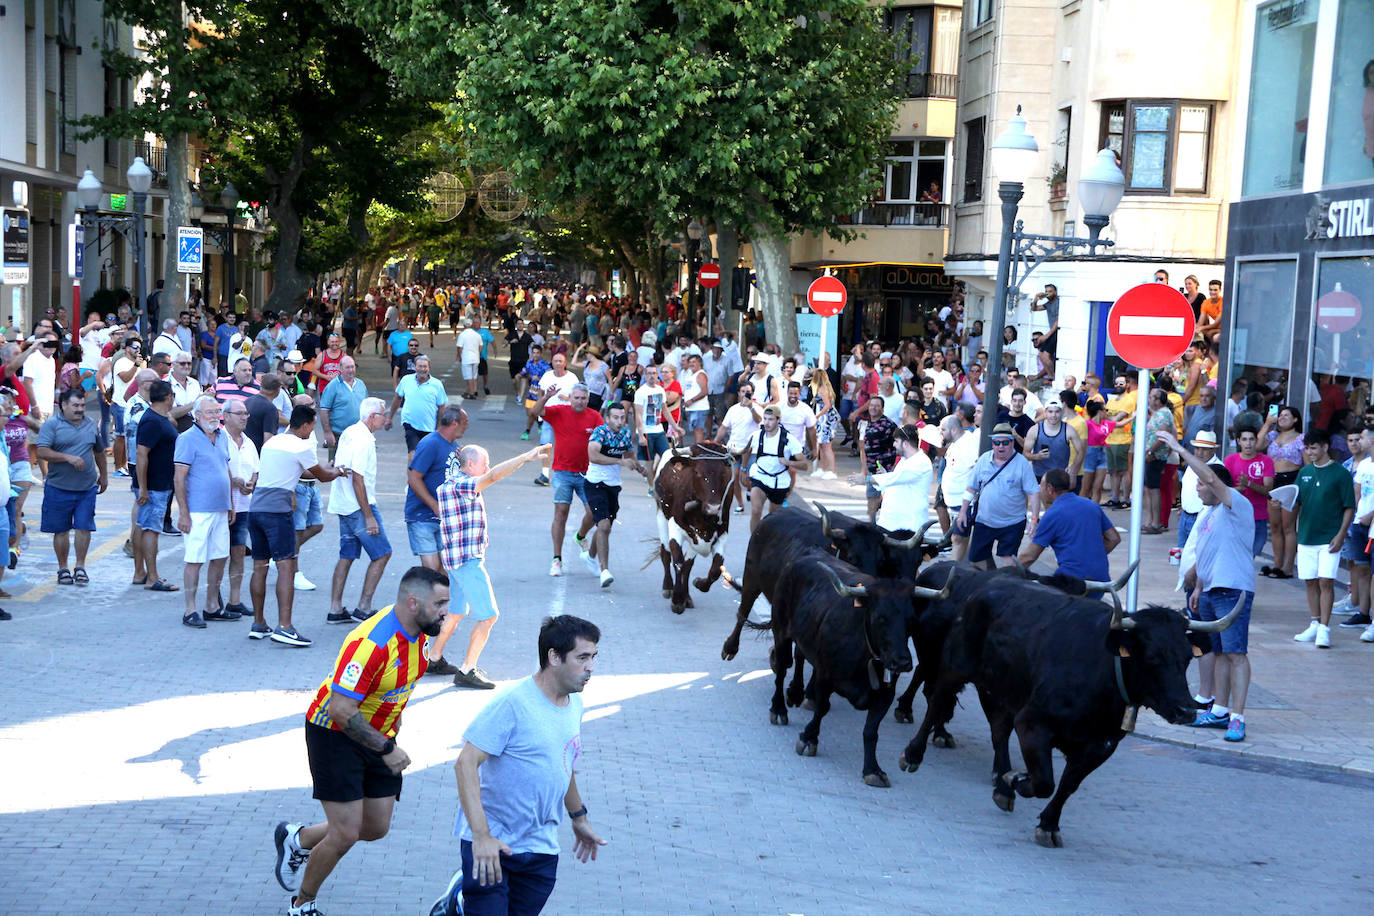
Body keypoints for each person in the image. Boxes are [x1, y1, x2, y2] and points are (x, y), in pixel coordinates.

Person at [273, 566, 451, 916]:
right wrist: (387, 749)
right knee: (345, 834)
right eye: (440, 603)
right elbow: (341, 710)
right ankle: (302, 905)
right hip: (334, 734)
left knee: (373, 826)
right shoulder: (371, 644)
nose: (446, 611)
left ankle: (299, 839)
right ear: (413, 603)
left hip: (377, 736)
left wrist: (388, 738)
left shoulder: (421, 633)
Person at [445, 615, 606, 916]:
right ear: (554, 657)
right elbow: (465, 763)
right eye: (582, 658)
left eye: (594, 657)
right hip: (492, 845)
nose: (591, 668)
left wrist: (579, 818)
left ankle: (458, 904)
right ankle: (459, 898)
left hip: (540, 848)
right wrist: (481, 836)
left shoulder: (575, 704)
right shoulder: (513, 703)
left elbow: (563, 762)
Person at [1163, 431, 1256, 744]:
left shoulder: (1235, 505)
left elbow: (1211, 478)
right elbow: (1205, 554)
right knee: (1216, 653)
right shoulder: (1208, 515)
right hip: (1211, 592)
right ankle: (1219, 709)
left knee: (1236, 654)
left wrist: (1178, 448)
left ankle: (1238, 718)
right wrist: (1199, 588)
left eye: (1201, 483)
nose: (1198, 488)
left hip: (1233, 590)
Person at [439, 442, 551, 691]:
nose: (487, 467)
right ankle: (467, 670)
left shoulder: (451, 483)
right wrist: (525, 457)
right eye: (483, 462)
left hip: (455, 561)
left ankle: (433, 658)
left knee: (456, 611)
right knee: (489, 616)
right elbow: (493, 475)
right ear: (470, 465)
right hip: (467, 562)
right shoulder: (463, 485)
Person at [247, 405, 346, 647]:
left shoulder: (273, 443)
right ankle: (285, 627)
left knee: (260, 566)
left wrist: (328, 471)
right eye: (312, 427)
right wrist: (338, 471)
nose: (312, 432)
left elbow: (303, 473)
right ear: (304, 425)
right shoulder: (301, 446)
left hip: (256, 509)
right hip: (277, 511)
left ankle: (259, 623)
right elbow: (321, 476)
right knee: (286, 567)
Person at [402, 406, 469, 673]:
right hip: (422, 517)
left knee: (443, 575)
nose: (467, 426)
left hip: (444, 519)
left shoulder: (455, 446)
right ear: (452, 423)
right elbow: (414, 477)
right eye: (464, 422)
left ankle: (430, 637)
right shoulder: (430, 443)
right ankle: (418, 633)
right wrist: (432, 505)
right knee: (432, 576)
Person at [326, 398, 393, 626]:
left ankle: (335, 608)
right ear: (372, 417)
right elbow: (358, 479)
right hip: (358, 505)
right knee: (382, 553)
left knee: (347, 555)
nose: (385, 419)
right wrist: (368, 515)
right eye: (383, 415)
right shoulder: (363, 440)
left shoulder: (350, 432)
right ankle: (364, 607)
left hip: (343, 503)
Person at [35, 387, 108, 586]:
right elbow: (41, 451)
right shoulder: (52, 425)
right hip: (59, 487)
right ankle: (63, 568)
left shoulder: (91, 424)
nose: (80, 409)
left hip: (86, 487)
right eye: (75, 405)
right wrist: (67, 457)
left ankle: (80, 566)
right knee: (61, 530)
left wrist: (104, 476)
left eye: (83, 405)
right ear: (63, 405)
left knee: (84, 527)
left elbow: (99, 451)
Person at [1291, 428, 1356, 649]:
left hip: (1329, 537)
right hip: (1306, 535)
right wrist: (1279, 502)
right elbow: (1295, 500)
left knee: (1326, 581)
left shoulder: (1340, 474)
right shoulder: (1304, 473)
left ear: (1325, 447)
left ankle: (1325, 629)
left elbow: (1349, 507)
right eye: (1307, 448)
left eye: (1314, 447)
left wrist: (1340, 535)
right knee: (1310, 581)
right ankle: (1314, 623)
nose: (1309, 452)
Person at [174, 395, 235, 627]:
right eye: (209, 412)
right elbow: (179, 478)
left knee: (220, 557)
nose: (214, 416)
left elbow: (225, 470)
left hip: (220, 508)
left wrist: (230, 504)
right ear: (196, 415)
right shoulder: (187, 439)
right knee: (194, 559)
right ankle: (190, 609)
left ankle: (212, 605)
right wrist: (183, 513)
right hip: (198, 510)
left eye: (216, 411)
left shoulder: (221, 437)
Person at [533, 382, 603, 577]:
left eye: (583, 398)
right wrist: (546, 397)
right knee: (561, 513)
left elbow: (605, 436)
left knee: (593, 512)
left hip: (587, 474)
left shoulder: (594, 416)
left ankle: (581, 536)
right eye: (577, 398)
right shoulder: (559, 412)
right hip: (563, 471)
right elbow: (535, 412)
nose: (580, 401)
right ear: (570, 398)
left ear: (588, 399)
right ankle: (557, 559)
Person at [960, 422, 1040, 569]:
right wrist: (963, 512)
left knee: (1008, 562)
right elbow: (971, 488)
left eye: (1005, 442)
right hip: (984, 520)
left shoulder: (1022, 463)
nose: (1000, 446)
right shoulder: (984, 459)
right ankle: (992, 578)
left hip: (1012, 523)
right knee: (976, 559)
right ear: (993, 443)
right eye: (997, 443)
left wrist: (1034, 519)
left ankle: (1004, 584)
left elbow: (1034, 493)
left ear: (1012, 443)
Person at [581, 401, 644, 587]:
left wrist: (640, 468)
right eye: (615, 417)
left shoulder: (625, 433)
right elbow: (593, 456)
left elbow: (630, 454)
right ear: (607, 418)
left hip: (613, 486)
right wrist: (619, 461)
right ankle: (604, 571)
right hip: (594, 483)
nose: (619, 421)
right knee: (604, 524)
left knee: (604, 526)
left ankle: (590, 556)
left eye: (622, 418)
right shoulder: (600, 433)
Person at [1018, 468, 1120, 579]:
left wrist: (1005, 573)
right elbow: (1114, 539)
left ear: (1049, 489)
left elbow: (1029, 556)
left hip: (1071, 582)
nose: (1040, 491)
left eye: (1041, 486)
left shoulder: (1052, 514)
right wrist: (1092, 557)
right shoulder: (1091, 505)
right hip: (1101, 579)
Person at [135, 380, 179, 594]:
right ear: (169, 397)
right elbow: (142, 454)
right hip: (153, 486)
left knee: (149, 528)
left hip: (160, 484)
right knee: (151, 530)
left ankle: (144, 573)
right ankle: (152, 577)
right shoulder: (152, 421)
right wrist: (143, 487)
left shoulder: (159, 418)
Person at [860, 424, 935, 534]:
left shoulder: (921, 462)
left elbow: (897, 478)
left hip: (908, 527)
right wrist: (884, 475)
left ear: (905, 443)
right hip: (892, 523)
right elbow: (896, 482)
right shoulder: (905, 460)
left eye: (896, 441)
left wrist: (867, 479)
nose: (894, 444)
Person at [746, 405, 808, 532]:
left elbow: (804, 465)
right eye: (765, 419)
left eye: (771, 419)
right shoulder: (757, 435)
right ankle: (754, 542)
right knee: (756, 510)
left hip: (779, 481)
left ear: (778, 420)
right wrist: (743, 468)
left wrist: (788, 462)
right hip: (760, 476)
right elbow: (747, 450)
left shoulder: (789, 439)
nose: (767, 423)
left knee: (773, 518)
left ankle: (769, 542)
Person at [221, 398, 257, 618]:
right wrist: (232, 481)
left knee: (238, 551)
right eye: (239, 413)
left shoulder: (248, 441)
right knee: (218, 554)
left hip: (243, 505)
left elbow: (255, 468)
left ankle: (235, 600)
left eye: (246, 414)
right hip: (222, 504)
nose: (244, 417)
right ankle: (213, 598)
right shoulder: (218, 439)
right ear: (226, 416)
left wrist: (251, 482)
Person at [1259, 405, 1304, 579]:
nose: (1282, 418)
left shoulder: (1301, 438)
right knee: (1275, 525)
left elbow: (1306, 463)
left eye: (1287, 415)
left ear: (1295, 419)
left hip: (1291, 478)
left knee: (1288, 526)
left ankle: (1288, 566)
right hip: (1273, 479)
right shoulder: (1273, 435)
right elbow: (1258, 444)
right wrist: (1267, 424)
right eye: (1281, 415)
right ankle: (1277, 563)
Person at [1222, 428, 1275, 565]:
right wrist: (1239, 489)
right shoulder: (1230, 460)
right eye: (1244, 439)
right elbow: (1223, 490)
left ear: (1257, 441)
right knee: (1236, 559)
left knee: (1248, 558)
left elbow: (1268, 490)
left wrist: (1249, 483)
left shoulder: (1266, 461)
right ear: (1238, 441)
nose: (1248, 443)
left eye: (1251, 439)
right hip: (1235, 517)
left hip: (1258, 518)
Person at [387, 354, 447, 462]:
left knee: (426, 458)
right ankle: (410, 479)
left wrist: (439, 428)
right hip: (410, 423)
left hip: (429, 427)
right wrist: (389, 418)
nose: (422, 369)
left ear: (429, 368)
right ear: (415, 367)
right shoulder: (406, 380)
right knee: (413, 455)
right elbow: (397, 398)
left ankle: (418, 478)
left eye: (425, 367)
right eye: (420, 366)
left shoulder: (437, 385)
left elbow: (442, 407)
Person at [939, 413, 979, 561]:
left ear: (954, 429)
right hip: (954, 503)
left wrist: (968, 501)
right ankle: (960, 569)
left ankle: (952, 572)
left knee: (957, 538)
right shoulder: (956, 443)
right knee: (960, 539)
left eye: (943, 430)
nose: (940, 433)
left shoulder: (968, 444)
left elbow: (975, 471)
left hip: (964, 502)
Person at [856, 395, 899, 523]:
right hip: (871, 470)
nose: (873, 408)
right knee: (871, 502)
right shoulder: (865, 423)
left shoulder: (890, 425)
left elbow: (899, 446)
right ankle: (872, 526)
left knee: (889, 502)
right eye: (871, 405)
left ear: (882, 409)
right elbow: (862, 448)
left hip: (886, 469)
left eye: (877, 406)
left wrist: (894, 467)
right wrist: (864, 469)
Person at [1022, 399, 1082, 487]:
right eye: (1050, 412)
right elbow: (1025, 454)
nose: (1053, 415)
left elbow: (1081, 451)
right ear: (1045, 412)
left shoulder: (1069, 430)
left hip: (1060, 476)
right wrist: (1036, 456)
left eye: (1057, 412)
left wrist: (1073, 469)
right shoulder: (1035, 430)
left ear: (1061, 412)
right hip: (1039, 475)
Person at [1142, 388, 1176, 535]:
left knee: (1154, 488)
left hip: (1155, 456)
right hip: (1151, 455)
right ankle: (1150, 521)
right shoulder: (1157, 414)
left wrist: (1151, 451)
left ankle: (1156, 523)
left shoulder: (1164, 414)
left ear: (1158, 400)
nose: (1149, 399)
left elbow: (1162, 435)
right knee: (1148, 488)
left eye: (1152, 397)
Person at [317, 356, 367, 455]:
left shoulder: (361, 384)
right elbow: (324, 410)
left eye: (352, 367)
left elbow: (366, 408)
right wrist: (327, 432)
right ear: (340, 369)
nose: (351, 370)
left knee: (355, 466)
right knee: (336, 467)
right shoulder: (333, 386)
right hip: (338, 434)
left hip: (358, 435)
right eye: (347, 367)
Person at [1104, 374, 1137, 508]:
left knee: (1124, 471)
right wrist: (1109, 418)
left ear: (1128, 385)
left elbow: (1115, 419)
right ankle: (1115, 498)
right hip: (1109, 439)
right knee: (1112, 471)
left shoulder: (1129, 400)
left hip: (1123, 439)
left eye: (1121, 383)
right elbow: (1105, 417)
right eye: (1116, 383)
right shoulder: (1111, 401)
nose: (1118, 386)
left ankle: (1126, 499)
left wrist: (1109, 418)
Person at [1029, 284, 1059, 384]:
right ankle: (1051, 376)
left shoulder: (1058, 302)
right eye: (1046, 291)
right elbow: (1034, 309)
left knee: (1046, 354)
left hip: (1056, 331)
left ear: (1055, 292)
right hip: (1052, 332)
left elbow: (1058, 320)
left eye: (1050, 291)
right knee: (1042, 354)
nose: (1048, 293)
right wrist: (1036, 299)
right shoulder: (1048, 304)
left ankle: (1053, 377)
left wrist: (1047, 335)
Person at [458, 318, 483, 399]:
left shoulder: (462, 335)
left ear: (464, 325)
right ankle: (468, 391)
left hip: (466, 358)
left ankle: (471, 393)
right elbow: (481, 345)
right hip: (476, 358)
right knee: (473, 376)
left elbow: (460, 347)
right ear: (471, 325)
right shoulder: (477, 335)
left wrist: (460, 356)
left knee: (468, 376)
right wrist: (478, 353)